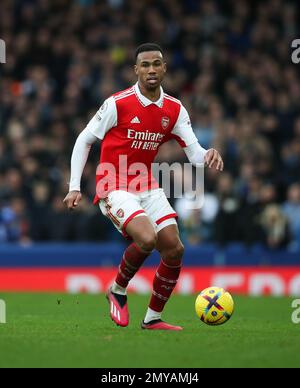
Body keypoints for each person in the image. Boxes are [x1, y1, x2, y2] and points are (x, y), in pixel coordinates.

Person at [63, 43, 224, 331]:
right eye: (145, 65)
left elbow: (195, 153)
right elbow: (84, 139)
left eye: (157, 64)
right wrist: (74, 186)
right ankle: (117, 289)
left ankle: (152, 319)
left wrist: (208, 153)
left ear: (164, 68)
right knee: (147, 238)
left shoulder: (174, 109)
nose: (151, 69)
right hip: (113, 184)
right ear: (135, 69)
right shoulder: (118, 103)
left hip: (146, 184)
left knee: (174, 249)